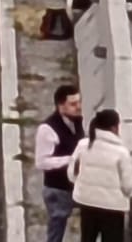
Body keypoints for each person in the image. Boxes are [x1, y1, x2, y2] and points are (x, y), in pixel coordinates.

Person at [68, 108, 132, 242]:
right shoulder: (121, 152)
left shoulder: (83, 145)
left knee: (87, 238)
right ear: (114, 127)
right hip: (113, 207)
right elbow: (128, 185)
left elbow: (72, 174)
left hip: (87, 202)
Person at [35, 84, 85, 242]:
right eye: (73, 104)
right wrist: (70, 159)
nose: (78, 107)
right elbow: (41, 162)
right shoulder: (47, 129)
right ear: (60, 106)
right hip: (58, 188)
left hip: (77, 185)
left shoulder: (78, 122)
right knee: (57, 228)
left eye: (79, 102)